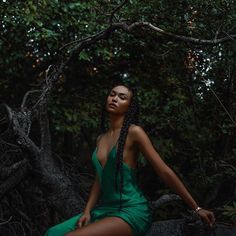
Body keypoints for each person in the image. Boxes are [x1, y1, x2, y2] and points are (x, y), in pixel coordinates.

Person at [45, 82, 215, 236]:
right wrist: (87, 211)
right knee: (52, 233)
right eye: (112, 94)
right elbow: (100, 179)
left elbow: (163, 171)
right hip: (104, 209)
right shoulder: (101, 138)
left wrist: (196, 207)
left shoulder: (134, 133)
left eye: (122, 97)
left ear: (129, 106)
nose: (115, 99)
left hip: (130, 210)